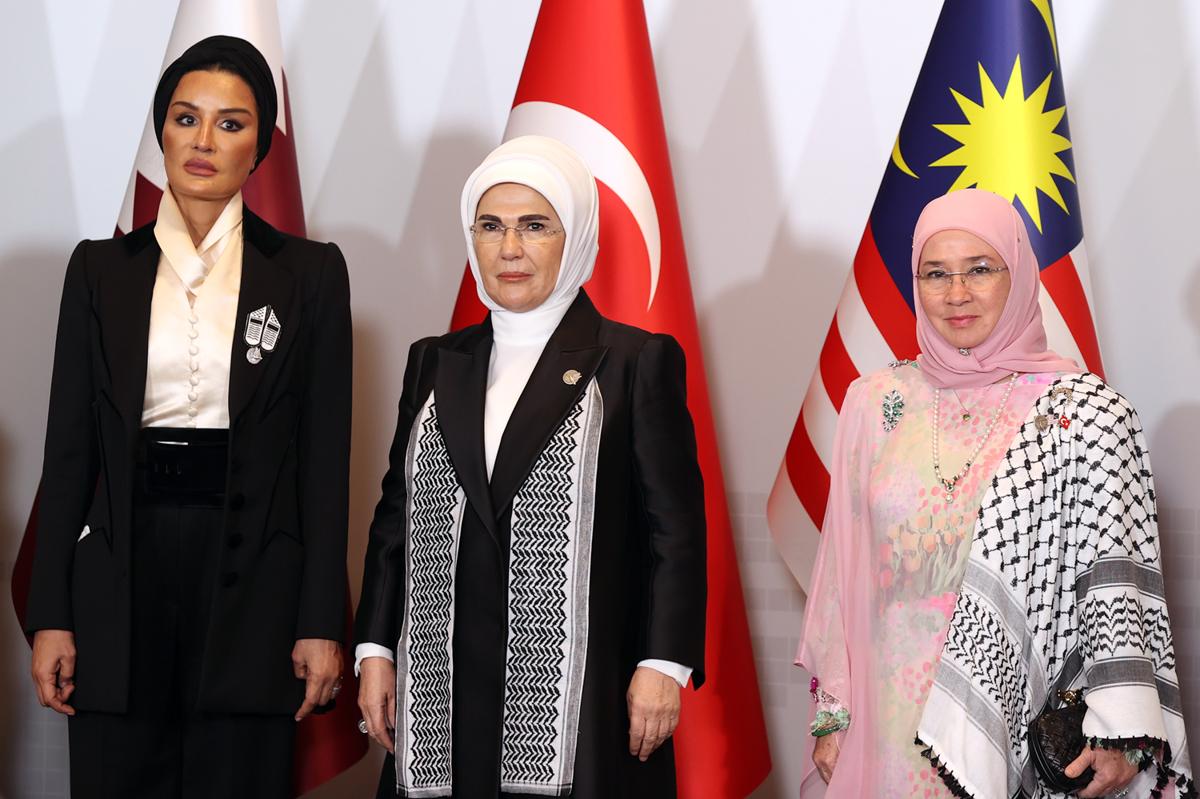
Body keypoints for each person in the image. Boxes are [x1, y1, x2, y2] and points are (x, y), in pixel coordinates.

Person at [24, 35, 351, 798]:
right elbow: (68, 455)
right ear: (161, 133)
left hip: (254, 584)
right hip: (121, 577)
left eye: (230, 124)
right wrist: (52, 614)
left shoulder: (310, 274)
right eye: (185, 118)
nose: (204, 140)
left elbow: (324, 464)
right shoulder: (98, 270)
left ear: (258, 148)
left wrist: (320, 621)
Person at [797, 189, 1193, 798]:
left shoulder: (1085, 413)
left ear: (1019, 273)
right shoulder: (875, 402)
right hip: (888, 719)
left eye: (980, 269)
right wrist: (833, 714)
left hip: (1020, 714)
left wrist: (1122, 732)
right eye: (936, 274)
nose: (957, 293)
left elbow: (1119, 583)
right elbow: (839, 576)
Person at [354, 135, 707, 798]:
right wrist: (374, 648)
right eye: (490, 226)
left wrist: (665, 662)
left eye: (535, 226)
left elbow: (676, 532)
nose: (509, 248)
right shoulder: (435, 360)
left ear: (575, 237)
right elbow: (395, 518)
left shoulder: (633, 362)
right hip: (441, 685)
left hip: (583, 690)